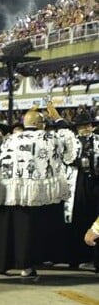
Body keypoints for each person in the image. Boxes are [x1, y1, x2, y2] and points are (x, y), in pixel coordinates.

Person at [0, 104, 76, 279]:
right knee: (31, 230)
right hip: (37, 192)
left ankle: (2, 264)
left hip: (11, 191)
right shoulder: (48, 137)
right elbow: (70, 144)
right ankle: (28, 264)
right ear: (40, 124)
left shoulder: (11, 139)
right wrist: (58, 118)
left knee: (13, 228)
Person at [64, 111, 99, 270]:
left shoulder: (98, 140)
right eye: (82, 126)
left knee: (95, 216)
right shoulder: (72, 142)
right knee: (77, 216)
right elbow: (66, 159)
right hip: (78, 181)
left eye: (88, 125)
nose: (86, 128)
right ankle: (76, 257)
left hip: (95, 181)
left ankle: (94, 257)